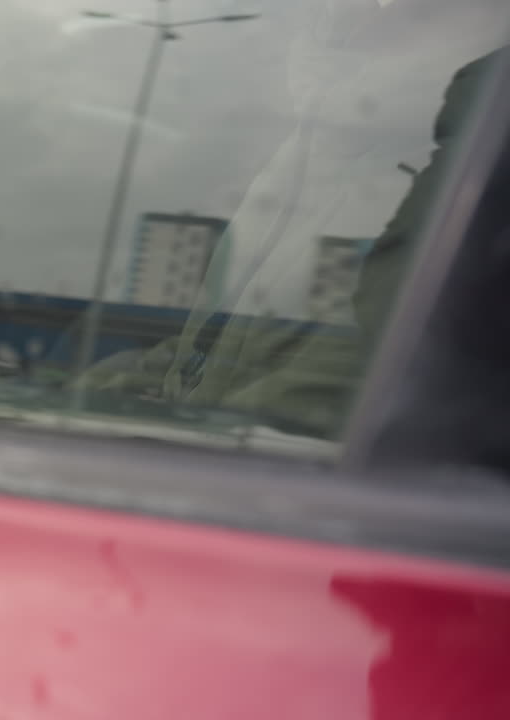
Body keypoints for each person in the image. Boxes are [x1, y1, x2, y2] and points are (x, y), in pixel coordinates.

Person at [72, 0, 506, 439]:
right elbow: (234, 335)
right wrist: (126, 389)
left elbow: (382, 366)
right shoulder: (311, 147)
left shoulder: (472, 155)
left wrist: (207, 435)